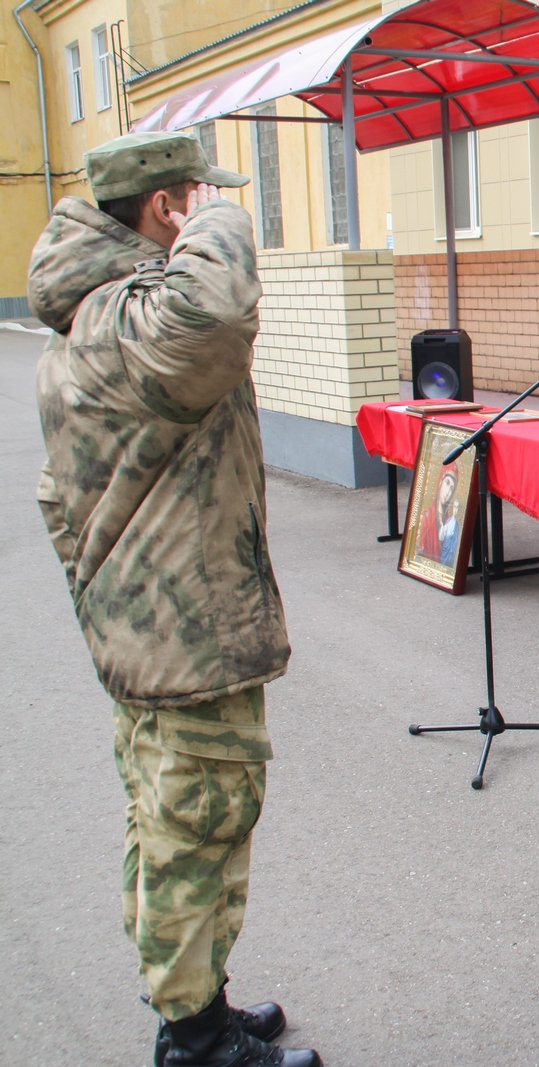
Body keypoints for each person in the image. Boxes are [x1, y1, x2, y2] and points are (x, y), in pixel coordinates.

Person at [29, 130, 320, 1066]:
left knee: (176, 816)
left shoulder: (93, 316)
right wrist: (223, 219)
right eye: (194, 195)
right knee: (197, 820)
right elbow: (213, 319)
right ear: (166, 208)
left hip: (150, 626)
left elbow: (58, 497)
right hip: (182, 638)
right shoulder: (127, 316)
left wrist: (103, 593)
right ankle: (193, 1039)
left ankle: (199, 1001)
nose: (207, 207)